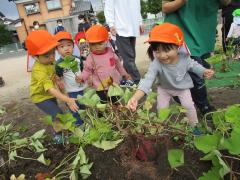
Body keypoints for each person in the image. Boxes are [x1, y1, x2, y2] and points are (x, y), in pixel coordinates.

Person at [127, 23, 214, 130]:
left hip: (182, 88)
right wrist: (135, 98)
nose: (162, 55)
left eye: (166, 50)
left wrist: (203, 71)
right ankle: (162, 128)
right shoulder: (156, 63)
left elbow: (193, 65)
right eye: (157, 51)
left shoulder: (184, 58)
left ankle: (194, 127)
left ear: (178, 46)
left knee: (188, 106)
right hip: (164, 90)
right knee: (162, 109)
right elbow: (147, 80)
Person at [162, 0, 231, 116]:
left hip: (203, 31)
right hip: (181, 30)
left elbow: (226, 2)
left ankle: (179, 92)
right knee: (197, 72)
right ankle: (204, 106)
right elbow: (165, 7)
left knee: (202, 68)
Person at [25, 30, 79, 143]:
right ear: (35, 57)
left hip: (49, 95)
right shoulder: (38, 70)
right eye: (46, 55)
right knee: (58, 114)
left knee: (56, 114)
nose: (51, 57)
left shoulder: (51, 63)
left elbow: (57, 81)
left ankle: (60, 131)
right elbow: (50, 89)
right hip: (40, 97)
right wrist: (68, 100)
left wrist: (65, 93)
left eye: (53, 53)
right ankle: (57, 136)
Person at [76, 25, 132, 102]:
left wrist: (125, 74)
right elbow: (87, 70)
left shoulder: (111, 53)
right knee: (102, 107)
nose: (96, 47)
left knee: (116, 104)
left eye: (100, 43)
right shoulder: (90, 57)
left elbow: (118, 65)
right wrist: (82, 77)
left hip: (114, 85)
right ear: (88, 44)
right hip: (100, 88)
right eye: (93, 44)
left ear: (106, 41)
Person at [104, 0, 144, 84]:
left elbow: (137, 6)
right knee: (129, 57)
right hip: (120, 28)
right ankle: (137, 81)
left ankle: (124, 78)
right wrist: (111, 24)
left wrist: (140, 22)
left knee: (130, 57)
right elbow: (108, 6)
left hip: (133, 26)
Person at [54, 31, 87, 125]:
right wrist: (65, 95)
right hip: (70, 92)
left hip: (81, 88)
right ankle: (79, 126)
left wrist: (82, 78)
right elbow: (59, 80)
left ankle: (86, 123)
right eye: (62, 46)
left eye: (69, 45)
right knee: (75, 110)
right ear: (57, 49)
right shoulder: (59, 64)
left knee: (83, 108)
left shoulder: (78, 59)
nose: (66, 48)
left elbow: (83, 71)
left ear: (73, 46)